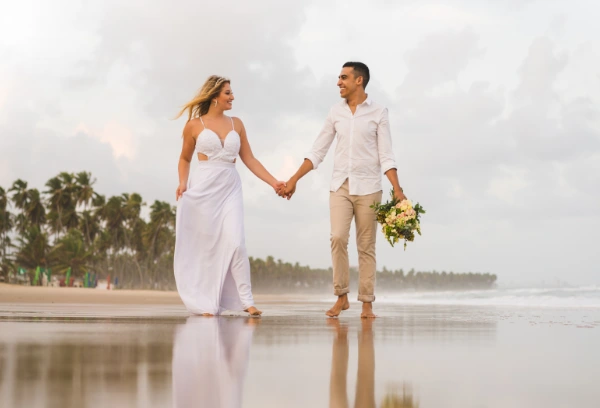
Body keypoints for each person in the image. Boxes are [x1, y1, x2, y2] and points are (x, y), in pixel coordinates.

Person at [278, 62, 407, 318]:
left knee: (366, 245)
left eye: (343, 77)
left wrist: (397, 190)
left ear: (359, 80)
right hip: (340, 186)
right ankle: (342, 296)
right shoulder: (335, 112)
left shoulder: (379, 112)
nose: (339, 82)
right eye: (339, 77)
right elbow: (318, 151)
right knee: (337, 237)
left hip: (369, 187)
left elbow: (386, 154)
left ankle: (367, 303)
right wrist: (294, 179)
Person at [174, 75, 284, 316]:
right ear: (215, 96)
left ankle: (247, 301)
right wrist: (183, 183)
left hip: (230, 187)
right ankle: (205, 302)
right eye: (227, 93)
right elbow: (184, 158)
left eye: (231, 92)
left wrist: (274, 182)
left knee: (236, 242)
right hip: (203, 189)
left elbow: (250, 159)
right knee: (206, 247)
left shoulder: (237, 124)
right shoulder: (194, 125)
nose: (232, 96)